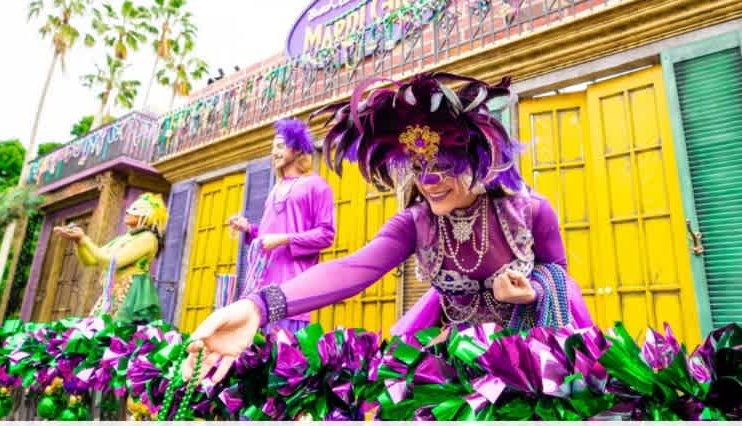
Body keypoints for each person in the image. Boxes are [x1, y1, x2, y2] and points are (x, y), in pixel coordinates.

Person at [185, 73, 594, 382]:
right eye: (419, 168)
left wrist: (532, 291)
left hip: (529, 359)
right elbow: (352, 269)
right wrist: (257, 306)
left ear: (475, 160)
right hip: (452, 360)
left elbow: (559, 276)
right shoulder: (415, 224)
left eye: (443, 167)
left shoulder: (530, 211)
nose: (429, 181)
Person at [227, 118, 336, 333]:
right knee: (255, 354)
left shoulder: (316, 185)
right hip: (260, 285)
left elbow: (326, 235)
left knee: (282, 356)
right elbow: (270, 235)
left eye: (279, 146)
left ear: (297, 149)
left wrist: (284, 239)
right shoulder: (275, 190)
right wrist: (250, 229)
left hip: (290, 286)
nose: (274, 152)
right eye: (272, 148)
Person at [54, 192, 168, 324]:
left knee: (120, 333)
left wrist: (84, 239)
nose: (128, 211)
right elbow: (90, 260)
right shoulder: (123, 238)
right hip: (112, 291)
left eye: (135, 209)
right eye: (130, 208)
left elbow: (112, 262)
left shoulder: (148, 238)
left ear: (147, 216)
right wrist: (78, 241)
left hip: (132, 293)